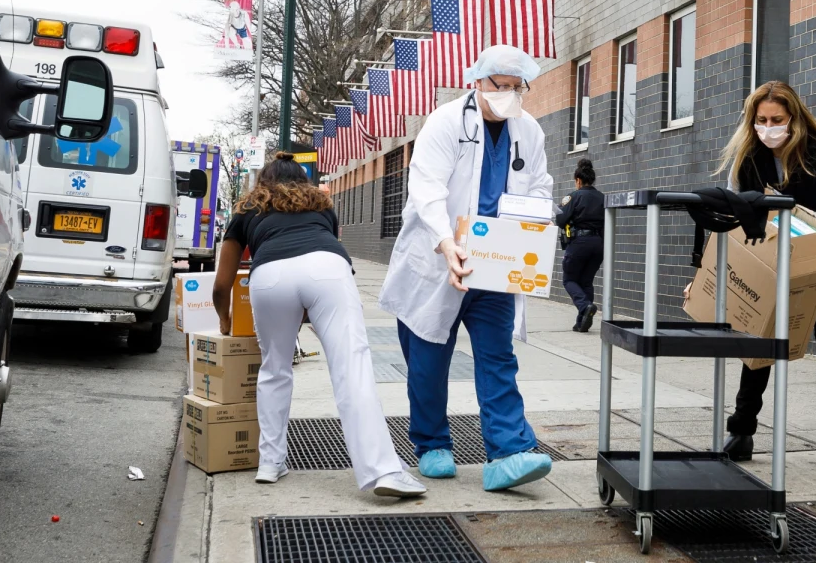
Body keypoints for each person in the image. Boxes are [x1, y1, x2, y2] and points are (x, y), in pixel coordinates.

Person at [379, 45, 555, 492]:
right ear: (477, 82)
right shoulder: (445, 122)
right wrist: (445, 243)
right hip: (436, 263)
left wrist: (532, 237)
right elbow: (427, 188)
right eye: (502, 86)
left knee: (498, 357)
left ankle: (508, 451)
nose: (511, 96)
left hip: (495, 264)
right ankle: (432, 444)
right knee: (427, 362)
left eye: (519, 88)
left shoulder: (528, 130)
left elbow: (539, 187)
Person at [213, 152, 426, 497]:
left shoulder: (247, 208)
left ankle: (270, 462)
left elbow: (223, 284)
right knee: (350, 366)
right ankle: (382, 471)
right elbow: (319, 255)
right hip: (326, 270)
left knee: (274, 369)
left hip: (268, 276)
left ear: (263, 180)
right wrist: (312, 308)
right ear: (302, 179)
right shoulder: (320, 204)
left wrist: (224, 319)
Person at [690, 81, 816, 483]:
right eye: (761, 120)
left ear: (794, 118)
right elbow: (727, 220)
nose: (769, 127)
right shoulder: (747, 159)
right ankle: (742, 431)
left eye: (777, 120)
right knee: (759, 344)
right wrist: (702, 276)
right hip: (765, 262)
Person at [555, 158, 604, 333]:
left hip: (579, 243)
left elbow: (561, 220)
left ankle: (584, 306)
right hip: (598, 245)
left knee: (569, 279)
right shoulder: (602, 198)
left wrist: (561, 206)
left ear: (578, 180)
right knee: (586, 282)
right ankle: (581, 322)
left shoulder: (573, 196)